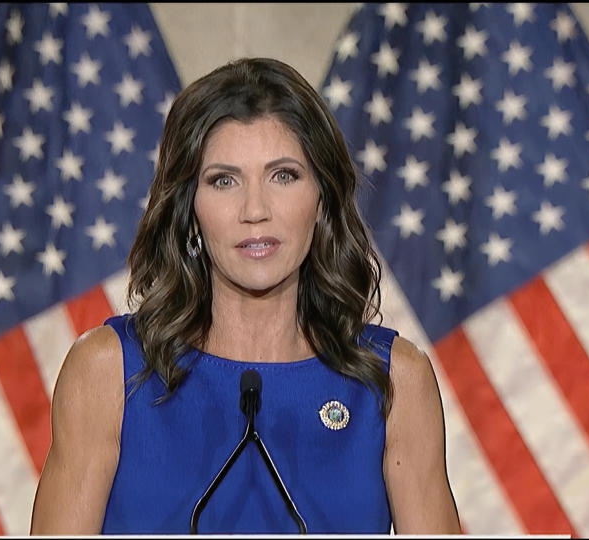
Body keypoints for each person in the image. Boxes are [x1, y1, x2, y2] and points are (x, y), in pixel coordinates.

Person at [29, 57, 460, 535]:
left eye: (283, 175)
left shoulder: (396, 380)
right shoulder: (107, 372)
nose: (255, 210)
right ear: (189, 206)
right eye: (223, 180)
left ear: (322, 198)